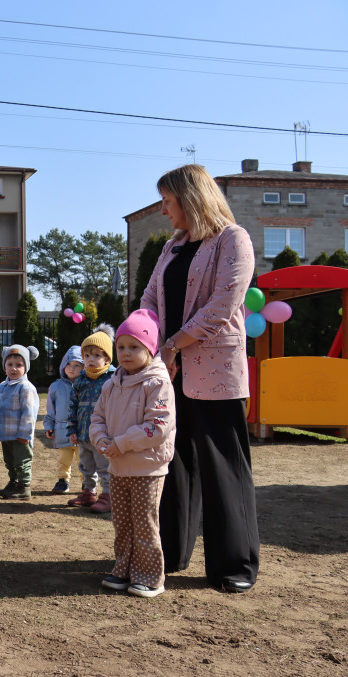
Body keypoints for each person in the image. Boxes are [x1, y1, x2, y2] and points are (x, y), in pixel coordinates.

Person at [140, 164, 259, 594]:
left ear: (190, 198)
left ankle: (235, 565)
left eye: (168, 202)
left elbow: (225, 302)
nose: (165, 211)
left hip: (216, 372)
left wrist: (174, 344)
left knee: (223, 466)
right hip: (171, 371)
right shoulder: (172, 246)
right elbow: (150, 297)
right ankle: (169, 552)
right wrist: (141, 340)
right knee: (173, 463)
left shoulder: (233, 238)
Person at [90, 309, 176, 598]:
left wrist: (122, 443)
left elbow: (158, 426)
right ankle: (122, 569)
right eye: (121, 347)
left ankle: (150, 577)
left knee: (144, 524)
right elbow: (97, 418)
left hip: (146, 468)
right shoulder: (112, 383)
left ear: (150, 349)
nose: (126, 353)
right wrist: (101, 439)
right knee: (122, 523)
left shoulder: (158, 383)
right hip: (118, 467)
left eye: (134, 347)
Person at [66, 324, 117, 513]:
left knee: (104, 466)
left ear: (107, 358)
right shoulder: (81, 380)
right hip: (83, 433)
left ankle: (108, 495)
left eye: (96, 355)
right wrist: (72, 429)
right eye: (87, 356)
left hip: (103, 435)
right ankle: (88, 492)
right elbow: (72, 406)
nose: (90, 360)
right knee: (85, 465)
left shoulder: (112, 379)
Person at [0, 345, 41, 501]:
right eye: (10, 364)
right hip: (6, 434)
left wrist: (25, 433)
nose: (14, 369)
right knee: (9, 461)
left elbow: (29, 413)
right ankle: (13, 483)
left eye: (19, 365)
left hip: (20, 436)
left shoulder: (25, 388)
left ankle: (24, 487)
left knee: (22, 461)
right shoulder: (2, 387)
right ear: (4, 366)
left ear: (26, 367)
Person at [45, 346, 83, 494]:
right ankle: (62, 481)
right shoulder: (55, 386)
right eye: (68, 364)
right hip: (62, 431)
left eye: (77, 365)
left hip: (81, 432)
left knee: (84, 461)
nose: (72, 368)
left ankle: (86, 483)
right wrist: (49, 426)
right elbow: (50, 410)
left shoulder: (86, 386)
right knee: (63, 460)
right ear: (63, 364)